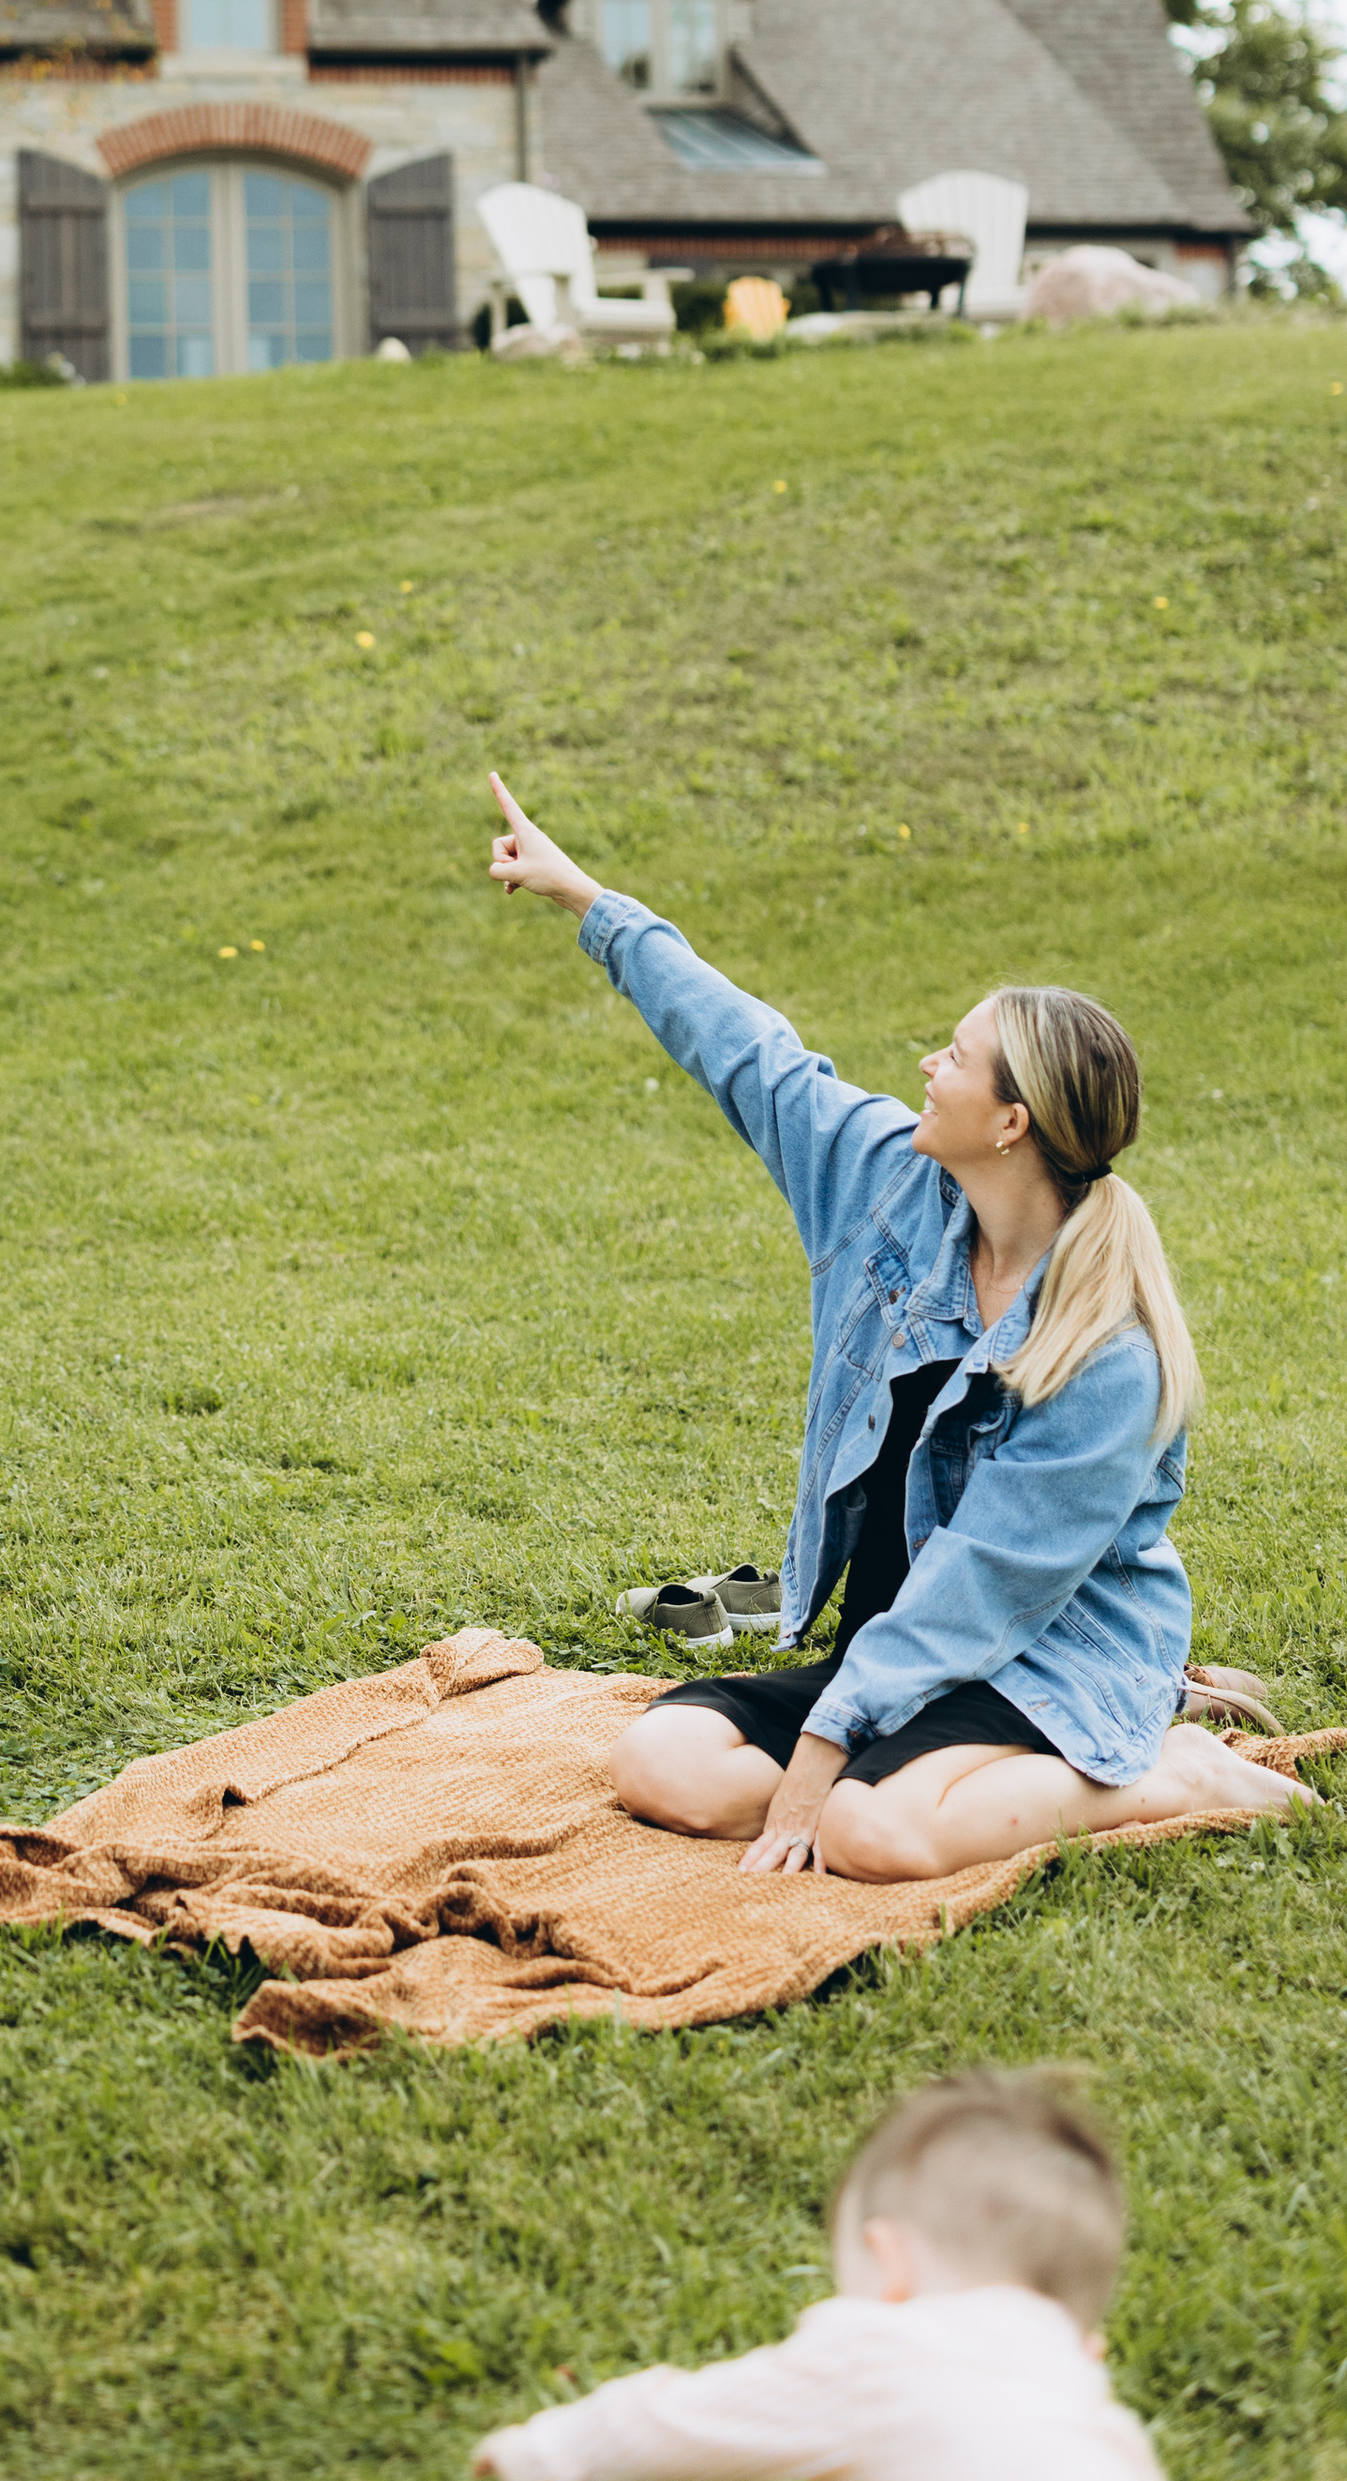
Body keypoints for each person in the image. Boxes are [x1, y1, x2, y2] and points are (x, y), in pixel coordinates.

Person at [484, 770, 1312, 1878]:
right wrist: (585, 898)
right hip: (892, 1648)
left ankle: (1174, 1772)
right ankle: (953, 1772)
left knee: (871, 1834)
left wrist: (820, 1764)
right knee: (663, 1764)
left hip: (1038, 1655)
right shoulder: (885, 1186)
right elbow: (755, 1058)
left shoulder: (1109, 1354)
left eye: (955, 1057)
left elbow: (978, 1589)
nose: (927, 1063)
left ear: (1010, 1123)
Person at [471, 2068, 1164, 2478]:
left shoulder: (877, 2357)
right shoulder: (1104, 2431)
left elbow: (666, 2424)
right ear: (1088, 2347)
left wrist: (537, 2454)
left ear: (892, 2269)